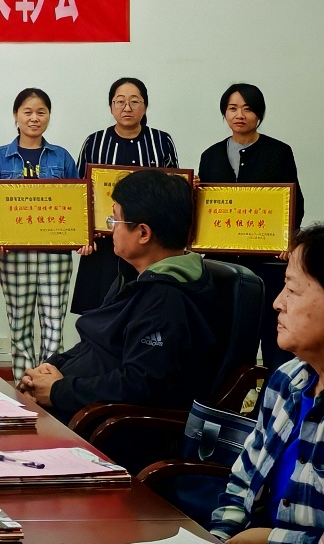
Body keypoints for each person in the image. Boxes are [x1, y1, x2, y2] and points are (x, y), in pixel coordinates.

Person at [19, 169, 220, 425]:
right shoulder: (134, 277)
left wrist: (59, 390)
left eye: (115, 220)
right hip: (73, 406)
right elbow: (96, 343)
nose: (110, 228)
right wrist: (48, 370)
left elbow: (141, 385)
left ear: (143, 233)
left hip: (103, 425)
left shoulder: (166, 298)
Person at [210, 223, 324, 544]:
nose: (277, 302)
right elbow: (242, 482)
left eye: (292, 290)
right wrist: (220, 537)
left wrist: (265, 538)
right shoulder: (287, 379)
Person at [199, 83, 306, 370]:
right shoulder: (210, 155)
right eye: (233, 108)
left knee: (273, 333)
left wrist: (288, 239)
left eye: (247, 108)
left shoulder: (279, 152)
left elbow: (293, 202)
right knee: (227, 336)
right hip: (222, 264)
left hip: (267, 262)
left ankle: (274, 392)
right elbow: (204, 207)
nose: (240, 115)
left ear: (259, 113)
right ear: (224, 113)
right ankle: (229, 395)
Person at [0, 87, 79, 380]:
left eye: (41, 112)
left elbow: (77, 204)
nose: (34, 118)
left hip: (56, 254)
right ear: (16, 116)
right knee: (19, 325)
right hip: (14, 254)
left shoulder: (62, 157)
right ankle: (23, 386)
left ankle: (48, 387)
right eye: (27, 112)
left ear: (49, 116)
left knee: (54, 326)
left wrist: (81, 238)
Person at [71, 77, 180, 314]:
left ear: (145, 106)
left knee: (147, 310)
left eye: (134, 101)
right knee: (101, 312)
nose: (127, 108)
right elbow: (80, 193)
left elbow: (172, 191)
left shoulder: (161, 141)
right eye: (120, 101)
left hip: (149, 243)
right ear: (111, 106)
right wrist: (82, 236)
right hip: (104, 244)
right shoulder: (95, 142)